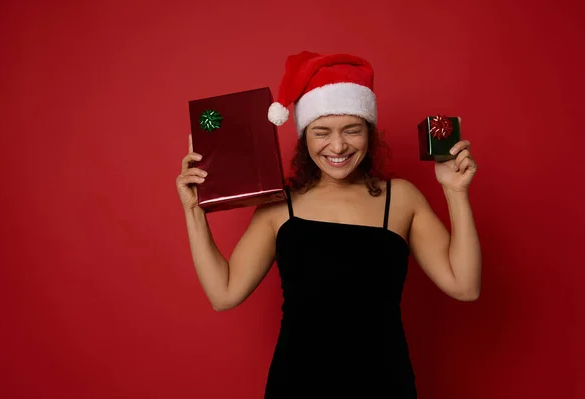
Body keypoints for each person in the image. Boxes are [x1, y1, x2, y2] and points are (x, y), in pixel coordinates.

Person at [176, 51, 481, 398]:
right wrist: (194, 209)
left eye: (352, 130)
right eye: (322, 132)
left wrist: (455, 192)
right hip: (297, 386)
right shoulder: (278, 208)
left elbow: (465, 286)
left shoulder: (402, 198)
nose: (337, 146)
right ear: (305, 135)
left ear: (369, 132)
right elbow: (224, 294)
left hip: (385, 386)